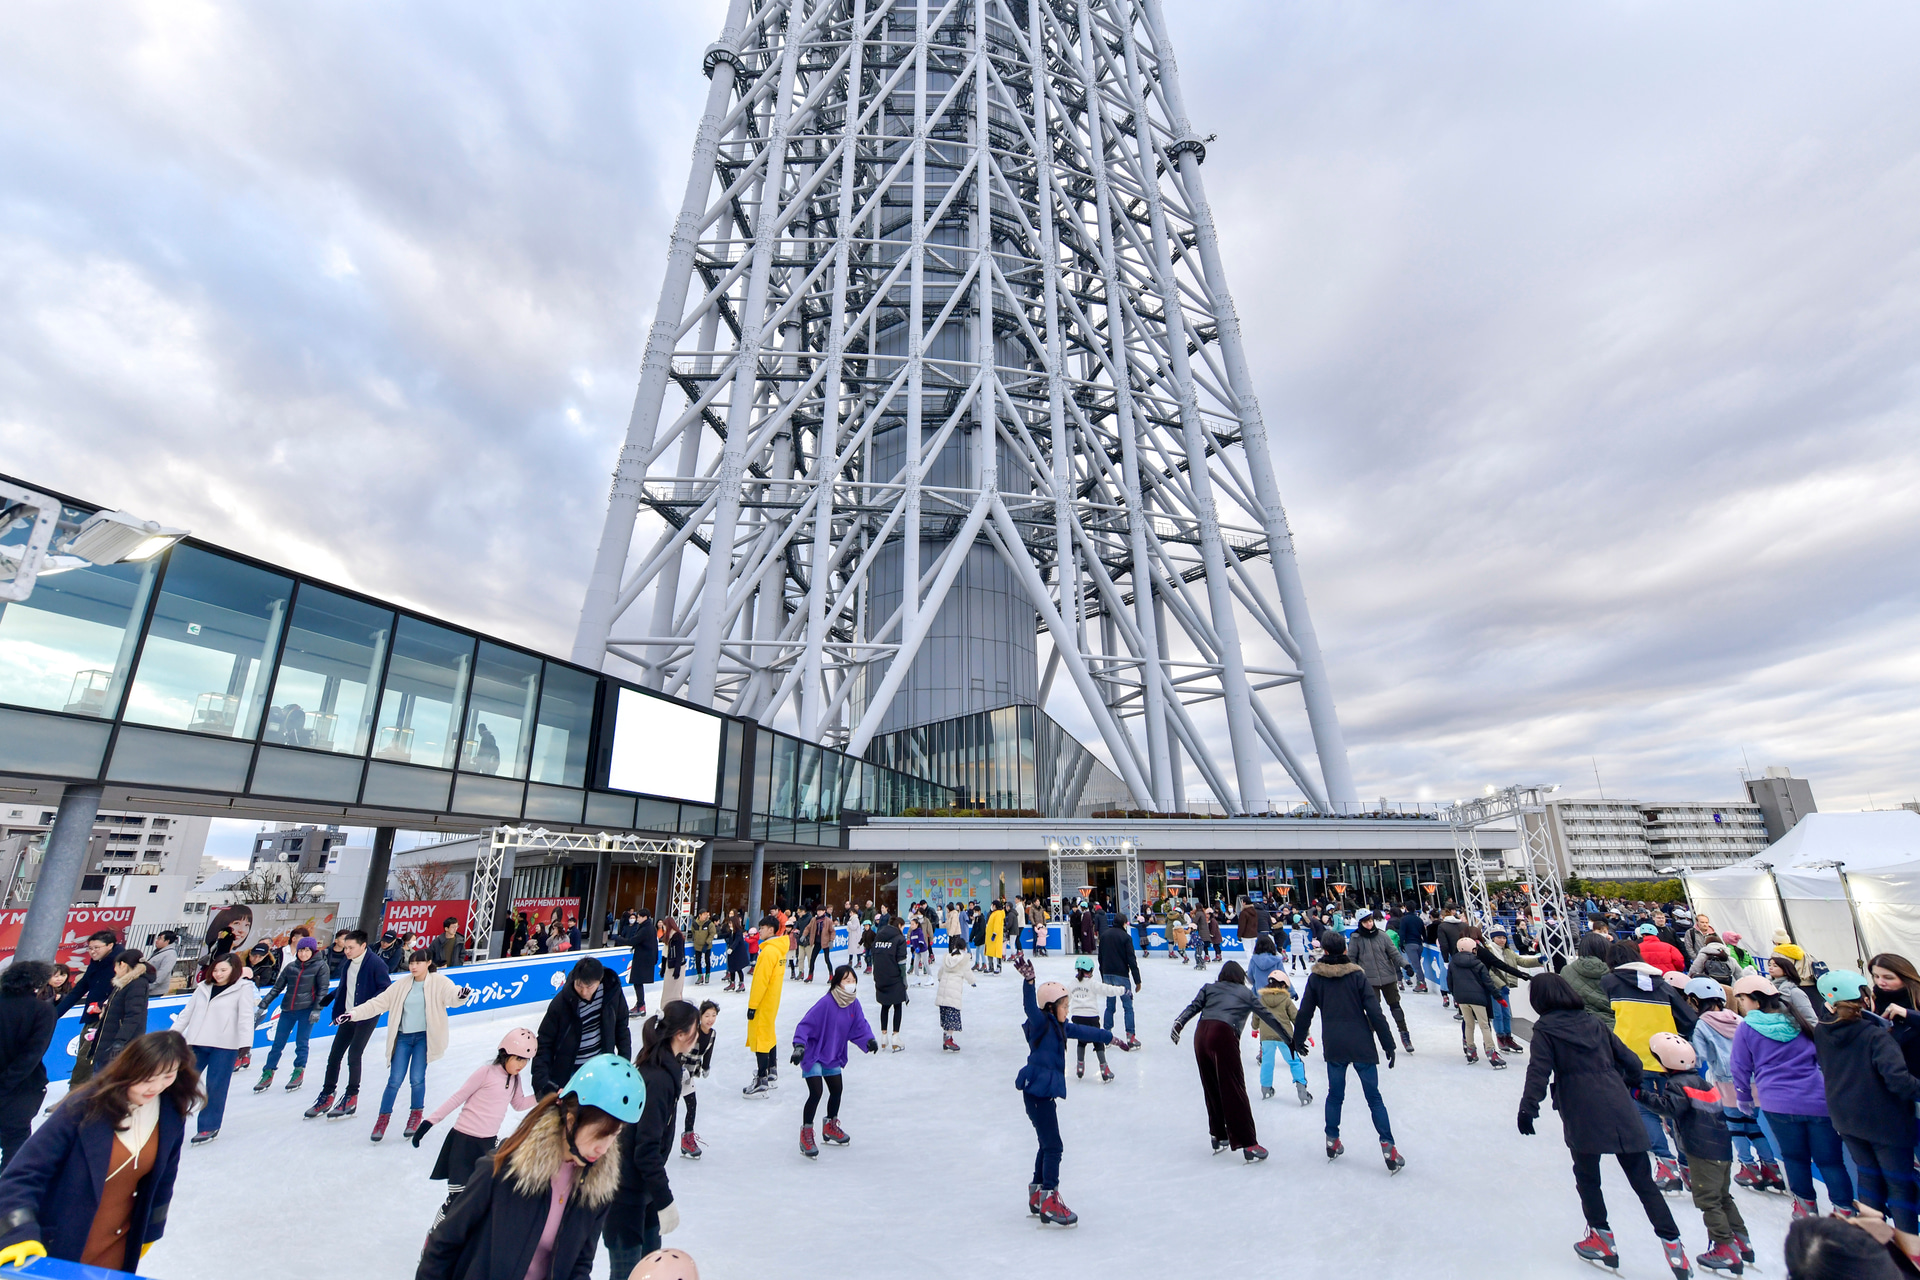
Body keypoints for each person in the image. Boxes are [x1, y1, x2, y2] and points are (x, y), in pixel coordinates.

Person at [1517, 973, 1689, 1276]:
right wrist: (1627, 1084)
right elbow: (1632, 1062)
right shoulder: (1593, 1022)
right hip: (1617, 1101)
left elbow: (1539, 1070)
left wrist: (1528, 1107)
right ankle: (1675, 1250)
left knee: (1587, 1177)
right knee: (1643, 1182)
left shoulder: (1545, 1028)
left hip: (1581, 1108)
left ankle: (1602, 1240)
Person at [418, 1054, 642, 1280]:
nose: (603, 1149)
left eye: (613, 1136)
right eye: (598, 1135)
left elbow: (579, 1265)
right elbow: (444, 1244)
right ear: (571, 1121)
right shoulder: (503, 1171)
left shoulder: (595, 1191)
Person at [0, 1031, 197, 1273]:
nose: (155, 1087)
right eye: (148, 1077)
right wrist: (17, 1233)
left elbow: (164, 1179)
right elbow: (22, 1174)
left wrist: (151, 1231)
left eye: (167, 1076)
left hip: (118, 1247)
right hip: (62, 1245)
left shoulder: (170, 1112)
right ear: (129, 1068)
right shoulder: (83, 1108)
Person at [1810, 971, 1920, 1262]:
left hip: (1846, 1120)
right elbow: (1898, 1081)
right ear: (1864, 998)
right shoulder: (1874, 1036)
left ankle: (1873, 1246)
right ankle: (1912, 1253)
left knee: (1869, 1179)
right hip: (1886, 1123)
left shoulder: (1823, 1029)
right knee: (1899, 1184)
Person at [1728, 973, 1854, 1218]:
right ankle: (1844, 1210)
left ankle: (1806, 1207)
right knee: (1830, 1161)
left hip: (1778, 1104)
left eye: (1742, 999)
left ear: (1755, 999)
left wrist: (1743, 1097)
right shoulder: (1797, 1021)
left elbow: (1740, 1066)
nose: (1741, 1004)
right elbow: (1822, 1058)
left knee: (1795, 1158)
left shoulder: (1747, 1028)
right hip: (1818, 1100)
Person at [1012, 954, 1125, 1226]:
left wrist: (1111, 1037)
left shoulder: (1062, 1027)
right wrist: (1029, 982)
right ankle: (1050, 1199)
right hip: (1037, 1093)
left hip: (1040, 1093)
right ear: (1051, 1007)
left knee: (1046, 1142)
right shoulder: (1041, 1023)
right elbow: (1030, 1007)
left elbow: (1088, 1033)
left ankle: (1038, 1193)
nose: (1068, 1008)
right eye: (1064, 1005)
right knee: (1054, 1146)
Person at [1289, 931, 1402, 1172]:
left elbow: (1305, 1012)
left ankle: (1332, 1139)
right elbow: (1375, 1012)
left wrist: (1298, 1040)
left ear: (1326, 951)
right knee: (1374, 1098)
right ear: (1345, 950)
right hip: (1361, 1042)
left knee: (1335, 1095)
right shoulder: (1357, 976)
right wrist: (1388, 1043)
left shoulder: (1316, 978)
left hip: (1335, 1044)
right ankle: (1388, 1146)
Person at [1642, 1032, 1753, 1273]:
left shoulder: (1677, 1085)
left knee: (1708, 1200)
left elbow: (1669, 1108)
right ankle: (1743, 1242)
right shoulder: (1704, 1084)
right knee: (1723, 1197)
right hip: (1722, 1150)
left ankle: (1725, 1248)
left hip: (1702, 1153)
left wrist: (1640, 1095)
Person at [345, 948, 474, 1142]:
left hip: (424, 1039)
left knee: (416, 1078)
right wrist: (353, 1013)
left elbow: (452, 995)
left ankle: (415, 1116)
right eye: (412, 963)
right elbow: (377, 1003)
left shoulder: (439, 982)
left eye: (418, 963)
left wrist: (461, 996)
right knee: (394, 1080)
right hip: (403, 1038)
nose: (413, 966)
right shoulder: (401, 985)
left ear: (428, 963)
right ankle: (383, 1119)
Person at [413, 1027, 539, 1225]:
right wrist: (429, 1122)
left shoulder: (515, 1080)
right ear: (505, 1053)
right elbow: (458, 1097)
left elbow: (519, 1104)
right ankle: (434, 1239)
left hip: (486, 1144)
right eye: (518, 1059)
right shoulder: (486, 1073)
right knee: (456, 1199)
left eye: (525, 1060)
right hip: (463, 1143)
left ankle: (463, 1243)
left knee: (478, 1197)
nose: (521, 1065)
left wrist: (544, 1095)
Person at [1170, 960, 1290, 1161]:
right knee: (1234, 1088)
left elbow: (1193, 1007)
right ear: (1240, 977)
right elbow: (1268, 1017)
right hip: (1223, 1034)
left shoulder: (1209, 988)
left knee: (1211, 1086)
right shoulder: (1246, 993)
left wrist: (1179, 1023)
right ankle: (1248, 1143)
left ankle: (1218, 1135)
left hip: (1201, 1035)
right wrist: (1289, 1039)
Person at [605, 1006, 694, 1275]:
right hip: (626, 1199)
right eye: (694, 1029)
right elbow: (645, 1150)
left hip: (644, 1194)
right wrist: (665, 1200)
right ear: (680, 1034)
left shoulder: (665, 1067)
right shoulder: (656, 1079)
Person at [1685, 976, 1784, 1194]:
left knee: (1734, 1126)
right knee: (1752, 1125)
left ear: (1695, 1000)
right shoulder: (1738, 1019)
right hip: (1753, 1079)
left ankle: (1749, 1167)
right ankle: (1772, 1169)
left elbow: (1699, 1056)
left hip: (1726, 1080)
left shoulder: (1702, 1024)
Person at [169, 952, 256, 1145]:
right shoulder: (203, 987)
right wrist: (171, 1036)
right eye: (215, 970)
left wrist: (245, 1043)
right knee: (180, 1082)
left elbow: (246, 1016)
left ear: (234, 970)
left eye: (223, 970)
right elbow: (186, 1014)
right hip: (196, 1042)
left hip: (224, 1046)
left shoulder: (243, 988)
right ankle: (170, 1123)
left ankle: (209, 1125)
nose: (218, 974)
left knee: (215, 1087)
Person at [791, 965, 877, 1159]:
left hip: (832, 1053)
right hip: (814, 1052)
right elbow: (805, 1024)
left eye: (853, 980)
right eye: (847, 981)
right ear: (837, 982)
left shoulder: (853, 1004)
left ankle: (830, 1126)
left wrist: (869, 1040)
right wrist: (799, 1046)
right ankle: (806, 1133)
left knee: (837, 1089)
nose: (850, 984)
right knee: (816, 1092)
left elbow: (860, 1025)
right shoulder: (826, 1003)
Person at [306, 928, 390, 1121]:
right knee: (334, 1055)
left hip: (367, 1016)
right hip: (348, 1015)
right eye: (345, 948)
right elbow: (347, 985)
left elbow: (385, 989)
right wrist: (331, 997)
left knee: (354, 1055)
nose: (347, 952)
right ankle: (327, 1095)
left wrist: (369, 1007)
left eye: (351, 948)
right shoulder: (348, 963)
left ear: (363, 946)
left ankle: (351, 1097)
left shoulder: (376, 964)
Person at [531, 955, 633, 1100]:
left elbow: (621, 1027)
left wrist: (624, 1064)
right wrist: (542, 1083)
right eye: (579, 986)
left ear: (600, 980)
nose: (584, 992)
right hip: (569, 1072)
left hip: (601, 1068)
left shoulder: (612, 993)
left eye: (589, 987)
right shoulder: (561, 1003)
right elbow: (544, 1043)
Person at [254, 935, 330, 1093]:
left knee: (301, 1043)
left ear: (313, 951)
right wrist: (263, 1004)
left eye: (307, 950)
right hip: (288, 1010)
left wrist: (317, 1009)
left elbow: (323, 990)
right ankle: (268, 1072)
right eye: (301, 950)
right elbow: (277, 988)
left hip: (307, 1011)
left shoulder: (321, 967)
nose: (303, 954)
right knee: (277, 1044)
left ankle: (298, 1071)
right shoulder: (291, 967)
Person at [0, 963, 56, 1172]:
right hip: (22, 1089)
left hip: (16, 1088)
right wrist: (6, 1083)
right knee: (15, 1143)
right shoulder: (43, 1011)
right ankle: (7, 1192)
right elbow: (32, 1054)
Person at [54, 932, 122, 1088]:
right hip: (92, 1015)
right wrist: (55, 1014)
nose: (92, 952)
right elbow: (80, 988)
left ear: (110, 946)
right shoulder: (97, 962)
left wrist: (104, 1004)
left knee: (87, 1055)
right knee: (84, 1056)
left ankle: (76, 1096)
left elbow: (124, 991)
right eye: (90, 948)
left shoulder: (120, 964)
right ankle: (79, 1094)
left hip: (107, 1017)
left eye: (96, 948)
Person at [1450, 935, 1523, 1068]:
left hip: (1462, 999)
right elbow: (1488, 982)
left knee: (1468, 1023)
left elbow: (1450, 981)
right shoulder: (1478, 963)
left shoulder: (1453, 963)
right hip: (1478, 998)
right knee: (1484, 1025)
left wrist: (1456, 995)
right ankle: (1491, 1052)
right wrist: (1498, 997)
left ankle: (1470, 1050)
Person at [1352, 911, 1414, 1053]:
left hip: (1388, 978)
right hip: (1369, 981)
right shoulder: (1356, 938)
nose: (1369, 924)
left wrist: (1406, 965)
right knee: (1373, 1011)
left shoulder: (1382, 935)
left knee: (1396, 1008)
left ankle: (1405, 1035)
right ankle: (1367, 1040)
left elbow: (1394, 954)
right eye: (1366, 922)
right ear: (1360, 923)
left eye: (1371, 921)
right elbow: (1352, 959)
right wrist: (1355, 976)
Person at [742, 916, 791, 1097]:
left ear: (771, 930)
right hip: (772, 1000)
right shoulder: (779, 951)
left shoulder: (769, 952)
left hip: (763, 1000)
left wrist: (753, 1005)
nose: (759, 931)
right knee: (769, 1033)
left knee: (761, 1036)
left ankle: (762, 1078)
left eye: (762, 928)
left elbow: (760, 981)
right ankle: (771, 1070)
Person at [1256, 969, 1311, 1106]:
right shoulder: (1286, 1000)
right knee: (1294, 1062)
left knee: (1267, 1062)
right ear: (1282, 986)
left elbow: (1256, 1016)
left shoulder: (1261, 999)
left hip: (1266, 1036)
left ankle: (1266, 1088)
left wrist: (1254, 1027)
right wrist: (1306, 1033)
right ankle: (1302, 1090)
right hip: (1285, 1037)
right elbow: (1296, 1018)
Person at [92, 950, 152, 1076]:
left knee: (106, 1083)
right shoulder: (123, 982)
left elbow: (134, 1015)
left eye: (116, 966)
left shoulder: (137, 984)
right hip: (109, 1041)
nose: (114, 970)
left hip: (118, 1044)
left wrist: (120, 1041)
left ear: (123, 965)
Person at [1485, 925, 1541, 1056]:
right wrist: (1500, 984)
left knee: (1506, 1013)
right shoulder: (1488, 951)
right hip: (1495, 988)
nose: (1502, 940)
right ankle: (1500, 1036)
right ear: (1493, 938)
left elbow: (1521, 961)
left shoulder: (1508, 952)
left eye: (1504, 937)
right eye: (1499, 937)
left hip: (1505, 987)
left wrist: (1538, 961)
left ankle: (1508, 1037)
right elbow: (1489, 971)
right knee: (1498, 1014)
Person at [1066, 957, 1123, 1082]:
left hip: (1077, 1017)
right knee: (1098, 1041)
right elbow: (1108, 989)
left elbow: (1065, 999)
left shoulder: (1072, 984)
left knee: (1081, 1041)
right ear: (1091, 970)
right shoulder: (1092, 983)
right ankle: (1104, 1069)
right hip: (1091, 1018)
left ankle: (1080, 1066)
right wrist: (1123, 990)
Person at [1866, 953, 1920, 1077]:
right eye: (1876, 976)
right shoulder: (1872, 1000)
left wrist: (1908, 1014)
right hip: (1889, 1080)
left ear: (1906, 977)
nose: (1881, 982)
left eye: (1888, 977)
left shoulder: (1916, 999)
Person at [676, 1002, 717, 1159]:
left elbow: (708, 1051)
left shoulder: (712, 1034)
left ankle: (687, 1139)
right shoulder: (692, 1032)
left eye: (713, 1015)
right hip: (676, 1072)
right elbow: (679, 1049)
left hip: (689, 1075)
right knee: (668, 1109)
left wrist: (706, 1067)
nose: (710, 1019)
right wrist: (680, 1068)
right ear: (700, 1017)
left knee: (692, 1105)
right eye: (707, 1015)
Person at [1097, 910, 1143, 1048]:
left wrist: (1103, 974)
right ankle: (1130, 1037)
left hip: (1107, 975)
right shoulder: (1126, 937)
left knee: (1110, 1006)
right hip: (1121, 976)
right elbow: (1131, 960)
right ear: (1124, 923)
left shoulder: (1104, 936)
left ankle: (1106, 1036)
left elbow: (1100, 957)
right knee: (1128, 1007)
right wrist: (1137, 980)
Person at [867, 914, 908, 1052]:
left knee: (885, 1006)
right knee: (897, 1005)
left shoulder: (879, 936)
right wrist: (904, 980)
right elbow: (901, 962)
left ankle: (883, 1037)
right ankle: (895, 1037)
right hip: (894, 976)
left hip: (880, 975)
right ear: (899, 926)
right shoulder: (899, 939)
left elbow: (873, 955)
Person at [935, 935, 972, 1053]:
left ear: (955, 946)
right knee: (952, 1017)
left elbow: (940, 972)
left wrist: (940, 979)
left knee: (946, 1016)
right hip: (953, 991)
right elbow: (968, 973)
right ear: (965, 948)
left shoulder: (948, 957)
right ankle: (948, 1039)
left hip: (943, 990)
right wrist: (973, 982)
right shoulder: (963, 959)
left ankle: (946, 1038)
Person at [660, 918, 686, 1008]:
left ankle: (676, 1009)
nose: (663, 928)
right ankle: (666, 1008)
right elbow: (665, 954)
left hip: (677, 966)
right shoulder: (668, 936)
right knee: (667, 990)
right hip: (669, 966)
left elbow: (680, 954)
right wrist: (663, 969)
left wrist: (677, 970)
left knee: (675, 990)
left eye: (664, 926)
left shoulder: (677, 936)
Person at [719, 913, 748, 993]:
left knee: (738, 969)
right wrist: (717, 936)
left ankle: (741, 984)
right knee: (731, 968)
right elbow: (725, 935)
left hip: (738, 954)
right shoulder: (732, 931)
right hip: (732, 954)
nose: (729, 924)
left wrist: (731, 948)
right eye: (729, 923)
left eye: (730, 923)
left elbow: (737, 941)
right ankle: (732, 983)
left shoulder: (738, 932)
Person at [144, 932, 179, 998]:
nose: (156, 941)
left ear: (167, 941)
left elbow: (163, 972)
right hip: (148, 987)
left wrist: (150, 986)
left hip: (155, 991)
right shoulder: (159, 951)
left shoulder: (170, 954)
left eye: (159, 939)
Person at [688, 914, 714, 987]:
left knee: (707, 960)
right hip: (697, 945)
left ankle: (707, 975)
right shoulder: (695, 924)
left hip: (707, 945)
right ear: (700, 915)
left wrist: (708, 941)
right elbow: (693, 932)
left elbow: (712, 933)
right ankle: (700, 976)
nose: (705, 916)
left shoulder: (709, 924)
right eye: (704, 915)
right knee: (697, 961)